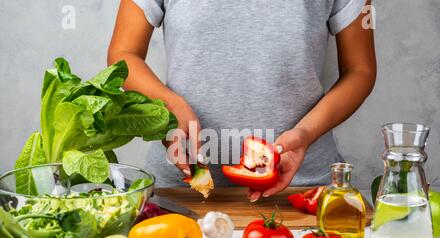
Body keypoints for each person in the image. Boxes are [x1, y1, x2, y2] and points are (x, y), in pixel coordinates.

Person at [108, 0, 376, 201]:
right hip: (181, 191)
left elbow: (360, 70)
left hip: (302, 190)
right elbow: (123, 54)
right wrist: (169, 106)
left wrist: (306, 132)